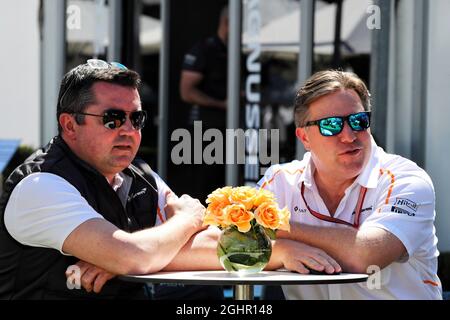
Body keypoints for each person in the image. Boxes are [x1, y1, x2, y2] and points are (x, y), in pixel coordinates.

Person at [0, 60, 341, 299]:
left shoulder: (139, 174)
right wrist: (186, 219)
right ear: (70, 125)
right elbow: (134, 254)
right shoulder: (40, 185)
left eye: (137, 118)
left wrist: (277, 251)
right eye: (113, 118)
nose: (129, 131)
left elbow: (195, 243)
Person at [258, 70, 443, 300]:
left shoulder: (405, 179)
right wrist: (281, 251)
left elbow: (366, 256)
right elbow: (210, 247)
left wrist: (277, 227)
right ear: (304, 137)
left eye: (358, 121)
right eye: (331, 125)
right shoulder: (281, 181)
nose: (348, 135)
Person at [178, 5, 229, 202]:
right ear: (227, 23)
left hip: (231, 128)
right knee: (206, 187)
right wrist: (222, 104)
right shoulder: (205, 50)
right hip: (206, 130)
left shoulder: (239, 52)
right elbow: (186, 91)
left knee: (226, 184)